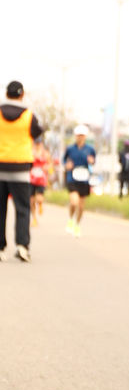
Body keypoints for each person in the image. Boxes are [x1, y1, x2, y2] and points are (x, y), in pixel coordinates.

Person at [0, 80, 43, 262]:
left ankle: (0, 248)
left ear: (6, 94)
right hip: (20, 168)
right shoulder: (28, 115)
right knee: (23, 208)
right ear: (22, 95)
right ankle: (22, 246)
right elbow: (37, 134)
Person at [63, 125, 96, 237]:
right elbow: (64, 160)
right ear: (75, 136)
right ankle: (71, 219)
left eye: (82, 135)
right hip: (72, 177)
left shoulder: (90, 149)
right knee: (74, 202)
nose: (80, 137)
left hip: (84, 179)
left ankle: (77, 225)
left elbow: (94, 161)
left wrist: (91, 161)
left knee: (81, 206)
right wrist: (67, 165)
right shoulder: (70, 149)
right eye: (78, 135)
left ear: (85, 136)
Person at [29, 137, 52, 226]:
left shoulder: (45, 154)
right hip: (31, 179)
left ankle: (40, 204)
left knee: (39, 199)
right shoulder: (30, 152)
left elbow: (50, 164)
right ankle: (34, 218)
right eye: (36, 143)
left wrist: (47, 168)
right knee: (31, 201)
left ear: (41, 144)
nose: (37, 145)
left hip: (41, 179)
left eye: (39, 143)